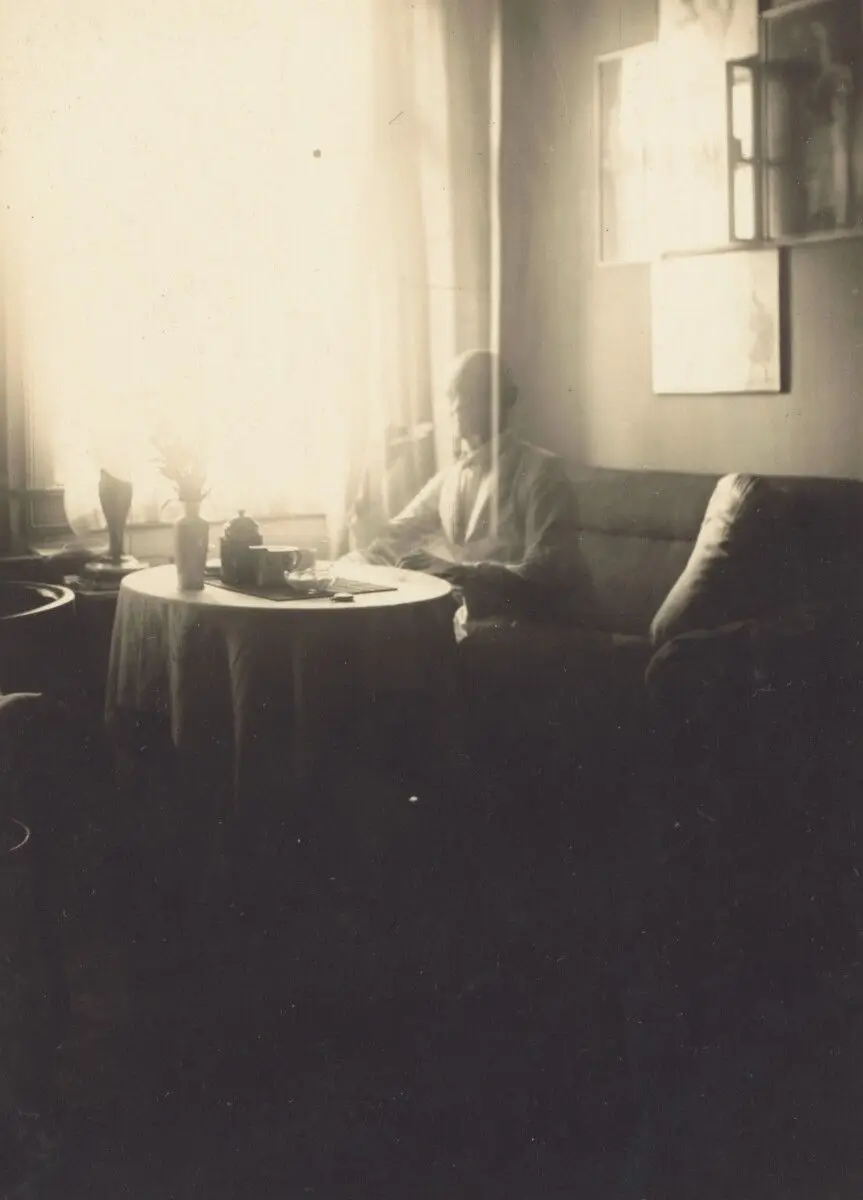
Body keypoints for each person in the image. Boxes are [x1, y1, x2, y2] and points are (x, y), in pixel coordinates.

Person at [346, 349, 585, 630]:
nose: (457, 405)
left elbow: (549, 572)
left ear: (503, 399)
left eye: (471, 393)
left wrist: (459, 573)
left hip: (531, 625)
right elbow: (387, 540)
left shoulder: (541, 471)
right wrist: (374, 472)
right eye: (452, 395)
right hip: (472, 619)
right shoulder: (451, 477)